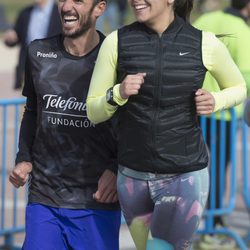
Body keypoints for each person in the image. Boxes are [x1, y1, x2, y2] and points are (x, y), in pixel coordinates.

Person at [86, 0, 247, 249]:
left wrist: (216, 100)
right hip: (132, 177)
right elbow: (93, 111)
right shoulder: (116, 41)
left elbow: (238, 88)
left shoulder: (204, 42)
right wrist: (117, 92)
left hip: (183, 176)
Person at [9, 0, 120, 249]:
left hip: (96, 200)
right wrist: (24, 157)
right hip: (44, 196)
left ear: (100, 8)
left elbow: (133, 123)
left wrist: (116, 168)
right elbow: (33, 112)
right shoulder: (38, 52)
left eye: (78, 1)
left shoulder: (116, 59)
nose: (67, 6)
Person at [193, 0, 250, 247]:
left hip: (194, 109)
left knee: (196, 167)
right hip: (224, 114)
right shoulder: (241, 29)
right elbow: (247, 75)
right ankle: (213, 219)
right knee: (217, 168)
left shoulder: (205, 21)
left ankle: (207, 218)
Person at [3, 0, 62, 90]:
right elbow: (17, 37)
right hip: (27, 73)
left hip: (53, 73)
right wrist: (10, 38)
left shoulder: (60, 12)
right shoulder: (25, 13)